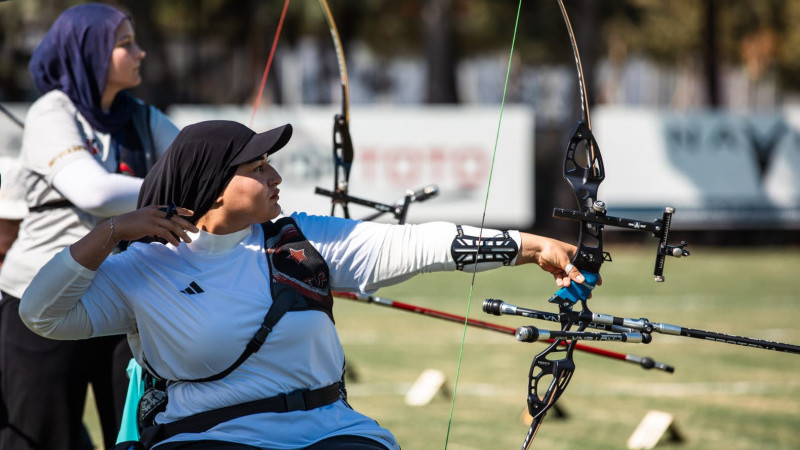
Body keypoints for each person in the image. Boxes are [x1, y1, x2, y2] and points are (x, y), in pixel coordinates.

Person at [18, 119, 590, 450]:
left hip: (329, 431)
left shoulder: (299, 239)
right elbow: (41, 314)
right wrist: (110, 233)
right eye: (259, 167)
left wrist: (530, 245)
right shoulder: (143, 267)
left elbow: (411, 244)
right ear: (215, 187)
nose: (277, 175)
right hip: (206, 439)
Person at [0, 4, 180, 449]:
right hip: (41, 301)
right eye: (124, 45)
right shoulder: (51, 112)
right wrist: (170, 197)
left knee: (141, 436)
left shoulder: (142, 116)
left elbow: (198, 166)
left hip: (124, 303)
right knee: (40, 438)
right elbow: (93, 192)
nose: (139, 54)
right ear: (89, 53)